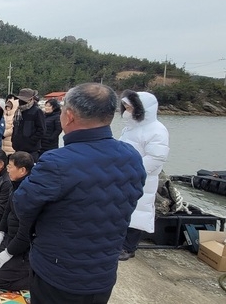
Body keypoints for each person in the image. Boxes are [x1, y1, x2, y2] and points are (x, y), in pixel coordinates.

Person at [12, 83, 146, 303]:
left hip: (58, 273)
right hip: (103, 273)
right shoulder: (131, 156)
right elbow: (130, 198)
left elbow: (23, 205)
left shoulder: (57, 162)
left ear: (70, 116)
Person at [118, 90, 170, 261]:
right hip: (125, 175)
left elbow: (156, 157)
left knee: (138, 212)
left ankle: (129, 247)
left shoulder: (157, 130)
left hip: (142, 178)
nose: (126, 111)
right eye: (125, 107)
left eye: (129, 107)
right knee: (123, 210)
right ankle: (119, 242)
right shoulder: (130, 128)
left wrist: (134, 171)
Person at [0, 151, 35, 291]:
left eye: (10, 166)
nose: (7, 169)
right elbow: (7, 209)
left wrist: (9, 252)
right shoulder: (16, 185)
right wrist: (1, 231)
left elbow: (25, 233)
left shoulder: (29, 193)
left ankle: (35, 279)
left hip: (25, 248)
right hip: (11, 237)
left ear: (22, 170)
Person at [11, 88, 46, 162]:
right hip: (18, 148)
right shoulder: (19, 111)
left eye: (24, 100)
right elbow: (15, 127)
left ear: (31, 99)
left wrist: (30, 141)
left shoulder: (37, 111)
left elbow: (42, 130)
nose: (21, 101)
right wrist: (13, 139)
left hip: (31, 150)